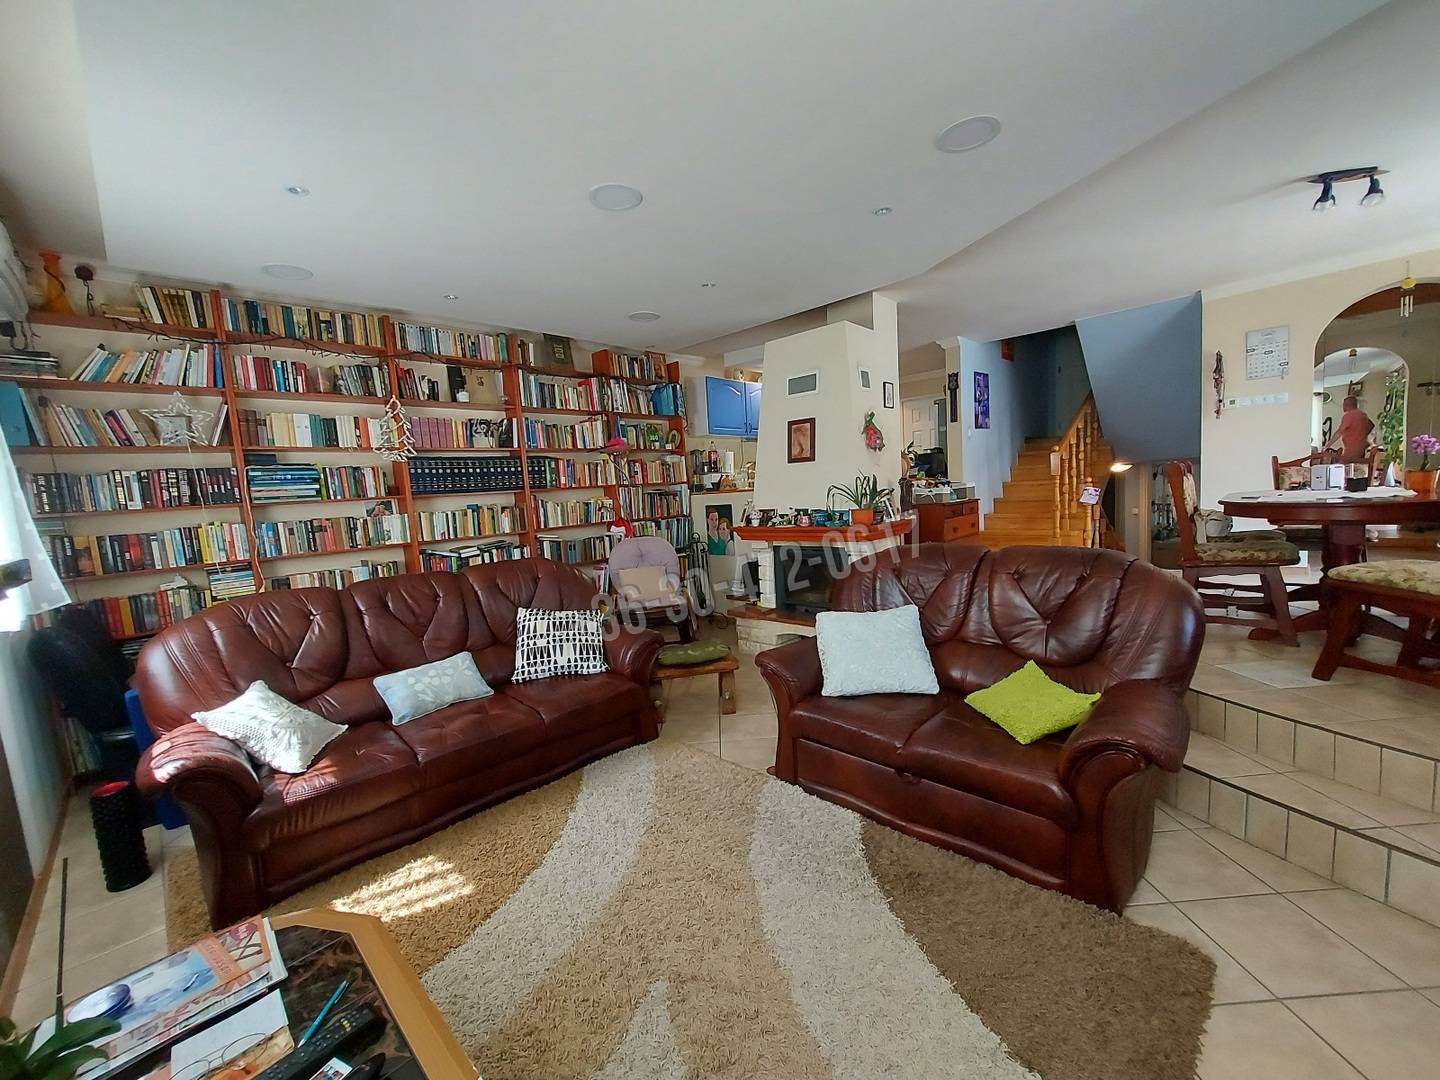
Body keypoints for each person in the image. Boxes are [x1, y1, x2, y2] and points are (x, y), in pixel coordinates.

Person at [1326, 396, 1375, 464]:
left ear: (1348, 404)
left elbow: (1339, 432)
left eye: (1344, 404)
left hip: (1352, 449)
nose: (1343, 407)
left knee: (1340, 466)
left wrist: (1327, 445)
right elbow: (1371, 425)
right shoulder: (1363, 415)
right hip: (1361, 448)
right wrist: (1362, 435)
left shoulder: (1349, 415)